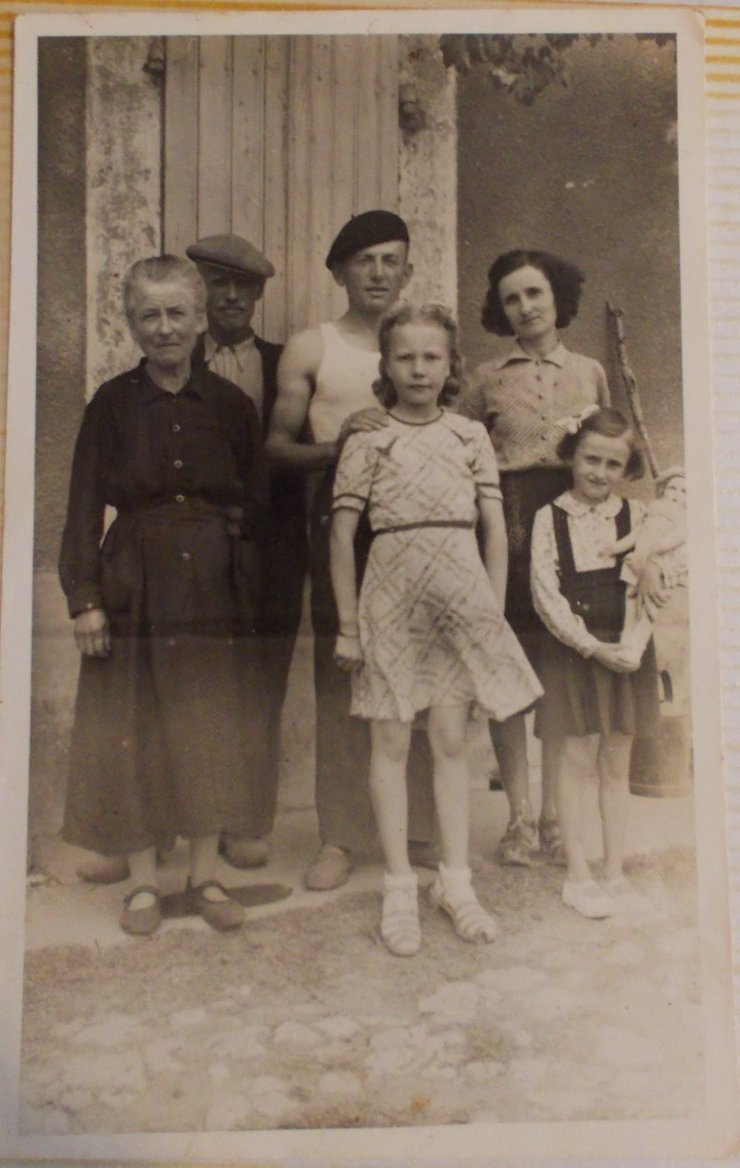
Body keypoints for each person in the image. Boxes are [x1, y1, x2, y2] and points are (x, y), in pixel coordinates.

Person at [59, 255, 267, 935]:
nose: (165, 327)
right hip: (133, 582)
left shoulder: (231, 407)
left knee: (209, 723)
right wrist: (85, 599)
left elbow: (254, 503)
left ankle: (203, 878)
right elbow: (84, 505)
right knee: (137, 724)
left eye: (178, 312)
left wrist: (245, 586)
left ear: (201, 318)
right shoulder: (112, 405)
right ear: (130, 324)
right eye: (149, 315)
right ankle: (145, 884)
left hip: (212, 581)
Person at [331, 304, 543, 955]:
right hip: (390, 598)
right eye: (405, 357)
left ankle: (455, 881)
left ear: (450, 365)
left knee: (452, 739)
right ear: (386, 365)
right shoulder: (367, 437)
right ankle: (399, 887)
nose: (418, 369)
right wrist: (347, 625)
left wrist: (490, 610)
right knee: (391, 742)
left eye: (431, 357)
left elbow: (493, 531)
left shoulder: (468, 435)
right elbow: (341, 536)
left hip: (458, 598)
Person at [267, 210, 436, 891]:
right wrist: (344, 448)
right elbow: (276, 448)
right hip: (340, 524)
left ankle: (419, 825)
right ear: (340, 272)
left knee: (418, 669)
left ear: (407, 271)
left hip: (418, 524)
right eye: (364, 261)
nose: (378, 273)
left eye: (390, 260)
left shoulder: (426, 342)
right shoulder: (314, 346)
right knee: (344, 669)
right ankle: (340, 835)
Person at [460, 249, 611, 868]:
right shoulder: (487, 379)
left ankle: (554, 814)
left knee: (558, 676)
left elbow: (610, 452)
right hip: (511, 528)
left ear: (558, 297)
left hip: (573, 527)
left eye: (535, 294)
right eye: (512, 298)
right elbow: (464, 454)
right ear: (500, 308)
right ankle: (518, 818)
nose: (525, 307)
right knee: (509, 672)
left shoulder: (591, 371)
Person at [186, 233, 306, 871]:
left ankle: (248, 821)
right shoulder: (175, 360)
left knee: (263, 683)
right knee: (197, 682)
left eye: (244, 287)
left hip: (273, 551)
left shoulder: (285, 363)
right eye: (217, 284)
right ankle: (188, 817)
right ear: (199, 291)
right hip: (199, 547)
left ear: (260, 294)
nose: (231, 297)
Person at [530, 407, 660, 918]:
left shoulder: (639, 518)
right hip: (576, 651)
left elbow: (655, 585)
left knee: (615, 763)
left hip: (626, 650)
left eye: (612, 463)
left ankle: (614, 870)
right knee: (577, 759)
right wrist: (590, 646)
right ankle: (579, 871)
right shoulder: (550, 517)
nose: (599, 473)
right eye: (590, 459)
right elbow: (545, 594)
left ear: (626, 469)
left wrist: (631, 644)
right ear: (571, 455)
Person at [608, 465, 687, 665]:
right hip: (639, 560)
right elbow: (637, 534)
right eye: (672, 488)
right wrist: (614, 548)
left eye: (684, 491)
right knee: (631, 598)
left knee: (649, 609)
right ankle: (625, 641)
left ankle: (636, 648)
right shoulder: (652, 510)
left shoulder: (685, 518)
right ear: (663, 490)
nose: (676, 494)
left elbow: (674, 540)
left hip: (660, 565)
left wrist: (651, 552)